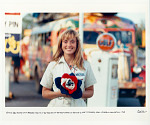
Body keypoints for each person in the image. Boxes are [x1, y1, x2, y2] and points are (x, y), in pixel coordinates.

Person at [40, 29, 96, 107]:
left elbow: (90, 91)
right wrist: (60, 93)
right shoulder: (53, 65)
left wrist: (78, 93)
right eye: (65, 41)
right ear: (61, 44)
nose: (69, 45)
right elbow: (44, 93)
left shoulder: (86, 65)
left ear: (77, 44)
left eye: (72, 42)